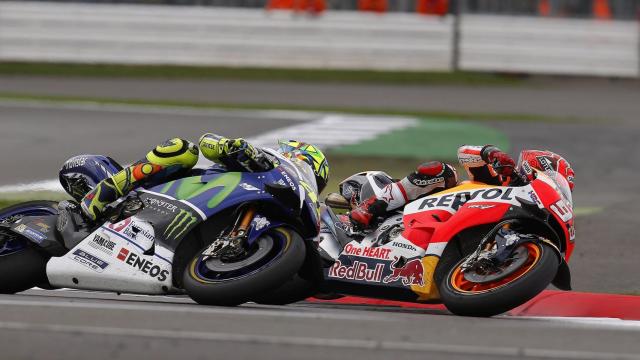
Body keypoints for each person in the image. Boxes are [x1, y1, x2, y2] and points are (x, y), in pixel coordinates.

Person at [63, 135, 330, 222]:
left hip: (203, 221)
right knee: (181, 148)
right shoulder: (255, 160)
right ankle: (106, 191)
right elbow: (207, 142)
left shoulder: (296, 207)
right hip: (180, 191)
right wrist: (231, 146)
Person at [349, 144, 575, 229]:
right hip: (432, 209)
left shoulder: (530, 212)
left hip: (454, 230)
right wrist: (490, 153)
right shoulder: (496, 177)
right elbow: (464, 152)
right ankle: (369, 207)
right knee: (440, 171)